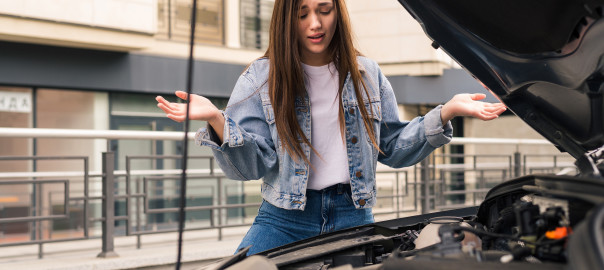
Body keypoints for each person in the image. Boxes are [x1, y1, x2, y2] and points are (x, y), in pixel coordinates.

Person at [156, 0, 506, 256]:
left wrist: (445, 112)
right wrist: (218, 120)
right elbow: (251, 166)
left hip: (353, 214)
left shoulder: (367, 74)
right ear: (286, 18)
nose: (315, 23)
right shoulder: (260, 77)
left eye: (324, 10)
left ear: (338, 12)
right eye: (302, 12)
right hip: (283, 219)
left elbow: (393, 147)